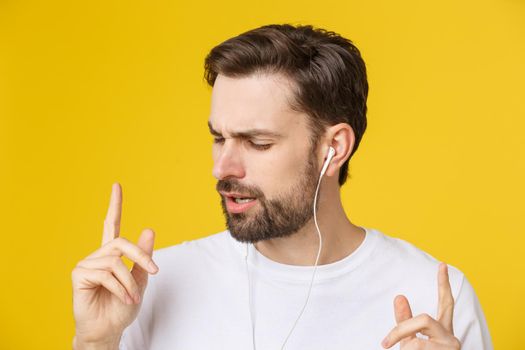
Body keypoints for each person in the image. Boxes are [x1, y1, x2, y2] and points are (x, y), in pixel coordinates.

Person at [71, 24, 493, 350]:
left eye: (258, 143)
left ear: (334, 147)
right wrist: (95, 342)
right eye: (219, 138)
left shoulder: (434, 297)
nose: (223, 167)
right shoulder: (148, 286)